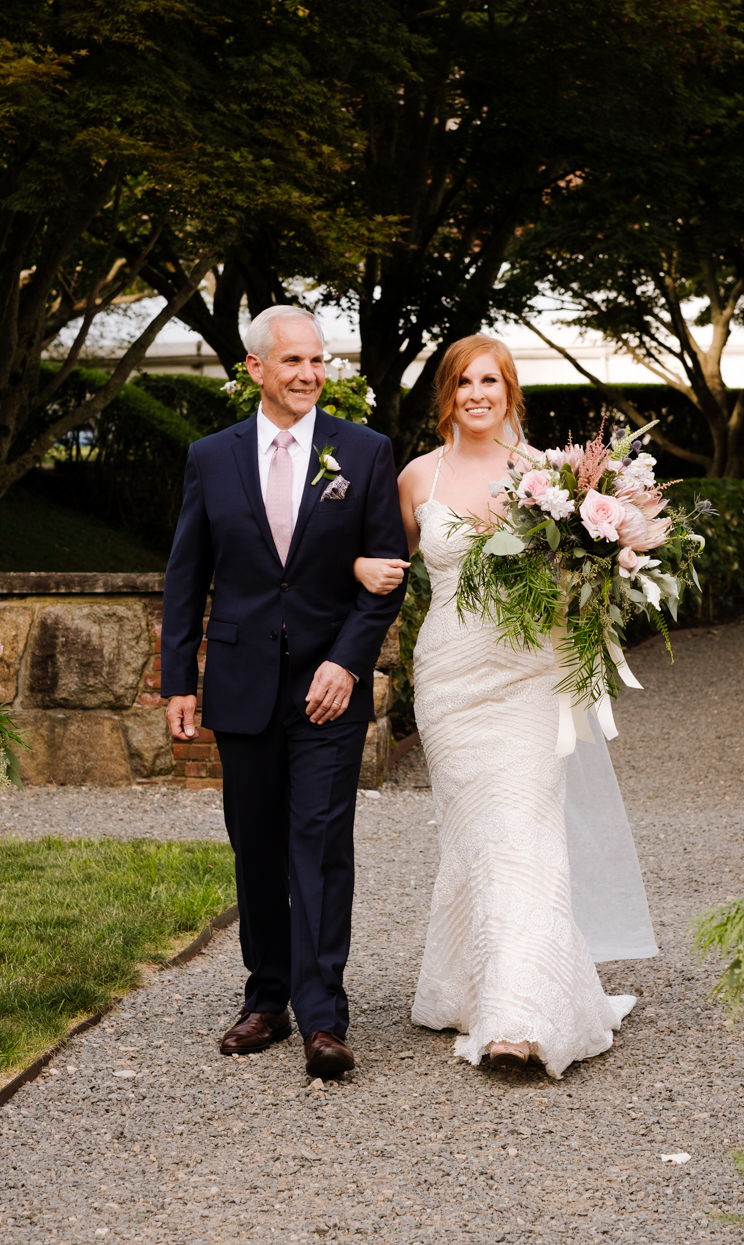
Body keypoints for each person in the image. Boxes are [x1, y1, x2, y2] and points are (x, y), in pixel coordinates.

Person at [355, 334, 657, 1079]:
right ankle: (471, 981)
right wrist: (357, 564)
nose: (478, 394)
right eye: (464, 382)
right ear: (447, 395)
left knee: (523, 832)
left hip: (528, 676)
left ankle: (520, 1016)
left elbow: (587, 566)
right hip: (451, 681)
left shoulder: (548, 477)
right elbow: (382, 564)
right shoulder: (416, 477)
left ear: (510, 391)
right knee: (477, 833)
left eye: (491, 381)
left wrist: (607, 562)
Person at [160, 306, 408, 1078]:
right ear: (255, 368)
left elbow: (386, 574)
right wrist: (179, 679)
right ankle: (266, 999)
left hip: (328, 688)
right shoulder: (211, 455)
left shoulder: (363, 453)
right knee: (257, 846)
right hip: (240, 685)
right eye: (293, 361)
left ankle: (324, 1018)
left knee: (321, 846)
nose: (309, 374)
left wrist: (347, 663)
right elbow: (186, 573)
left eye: (318, 360)